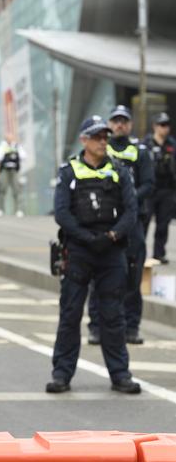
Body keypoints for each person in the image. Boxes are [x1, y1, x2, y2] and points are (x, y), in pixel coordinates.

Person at [47, 115, 140, 395]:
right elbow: (62, 212)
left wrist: (111, 236)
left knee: (113, 316)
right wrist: (87, 238)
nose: (103, 141)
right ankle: (61, 374)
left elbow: (131, 211)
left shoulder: (119, 171)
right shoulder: (69, 171)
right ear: (84, 140)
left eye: (105, 137)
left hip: (111, 251)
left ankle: (120, 374)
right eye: (97, 137)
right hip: (79, 250)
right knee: (70, 313)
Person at [87, 105, 153, 346]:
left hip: (134, 222)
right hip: (106, 221)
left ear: (130, 124)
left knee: (133, 277)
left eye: (123, 121)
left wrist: (128, 197)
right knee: (99, 275)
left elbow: (149, 184)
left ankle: (131, 327)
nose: (119, 125)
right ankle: (96, 327)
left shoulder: (140, 151)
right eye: (115, 121)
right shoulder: (102, 150)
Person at [143, 112, 176, 264]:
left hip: (167, 189)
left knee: (163, 224)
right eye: (162, 125)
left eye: (167, 125)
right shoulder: (147, 144)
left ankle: (159, 253)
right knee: (144, 221)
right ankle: (139, 252)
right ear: (155, 126)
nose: (165, 128)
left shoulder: (172, 144)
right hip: (150, 189)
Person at [0, 133, 26, 217]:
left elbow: (23, 156)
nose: (10, 140)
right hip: (5, 170)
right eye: (8, 138)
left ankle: (19, 209)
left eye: (11, 138)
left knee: (17, 190)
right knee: (1, 189)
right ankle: (0, 209)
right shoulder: (2, 146)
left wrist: (15, 151)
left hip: (14, 170)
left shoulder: (17, 146)